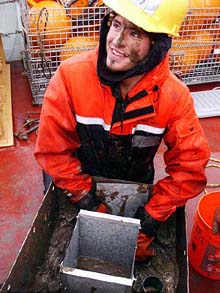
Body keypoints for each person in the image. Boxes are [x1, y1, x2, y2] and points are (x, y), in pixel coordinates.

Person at [34, 0, 210, 262]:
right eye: (116, 25)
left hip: (135, 178)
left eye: (135, 33)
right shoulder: (70, 77)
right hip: (75, 177)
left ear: (157, 45)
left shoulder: (174, 97)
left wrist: (149, 220)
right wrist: (88, 203)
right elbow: (53, 152)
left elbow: (189, 168)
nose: (116, 41)